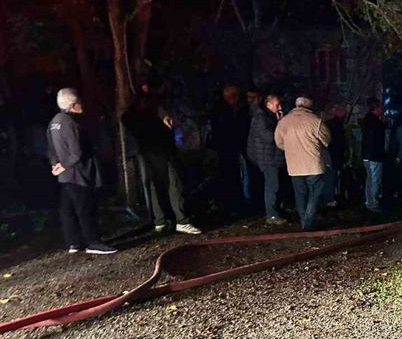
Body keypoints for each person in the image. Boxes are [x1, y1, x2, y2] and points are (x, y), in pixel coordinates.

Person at [124, 81, 201, 235]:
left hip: (151, 151)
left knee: (157, 184)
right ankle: (180, 220)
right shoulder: (150, 110)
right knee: (173, 182)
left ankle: (161, 220)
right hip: (159, 150)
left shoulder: (136, 113)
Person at [47, 88, 116, 254]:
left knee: (68, 209)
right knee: (86, 208)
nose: (82, 105)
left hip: (64, 175)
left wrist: (55, 164)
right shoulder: (71, 123)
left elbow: (50, 148)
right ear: (73, 105)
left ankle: (74, 242)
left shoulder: (54, 122)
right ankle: (93, 242)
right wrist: (65, 164)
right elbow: (77, 153)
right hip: (79, 174)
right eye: (79, 102)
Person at [274, 96, 331, 230]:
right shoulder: (315, 121)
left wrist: (290, 149)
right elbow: (327, 140)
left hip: (294, 165)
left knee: (300, 194)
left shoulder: (284, 122)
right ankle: (308, 222)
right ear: (309, 107)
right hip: (313, 164)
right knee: (314, 194)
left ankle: (303, 219)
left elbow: (279, 142)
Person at [247, 94, 287, 225]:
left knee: (274, 185)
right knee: (272, 185)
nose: (280, 108)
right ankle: (272, 214)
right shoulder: (261, 117)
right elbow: (268, 136)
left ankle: (275, 211)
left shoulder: (265, 117)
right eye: (277, 105)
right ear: (268, 105)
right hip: (268, 158)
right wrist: (280, 125)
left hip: (270, 156)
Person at [210, 84, 250, 214]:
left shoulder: (219, 110)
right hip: (228, 149)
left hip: (225, 148)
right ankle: (232, 204)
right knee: (230, 176)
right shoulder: (226, 112)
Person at [361, 97, 386, 213]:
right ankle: (373, 203)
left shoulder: (367, 120)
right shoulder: (375, 122)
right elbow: (377, 139)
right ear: (377, 107)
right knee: (375, 180)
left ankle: (369, 201)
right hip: (374, 155)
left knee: (370, 180)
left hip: (367, 154)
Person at [324, 104, 348, 207]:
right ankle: (331, 197)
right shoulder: (338, 126)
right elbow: (340, 142)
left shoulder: (328, 124)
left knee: (330, 176)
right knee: (332, 177)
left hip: (329, 153)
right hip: (335, 154)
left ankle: (330, 196)